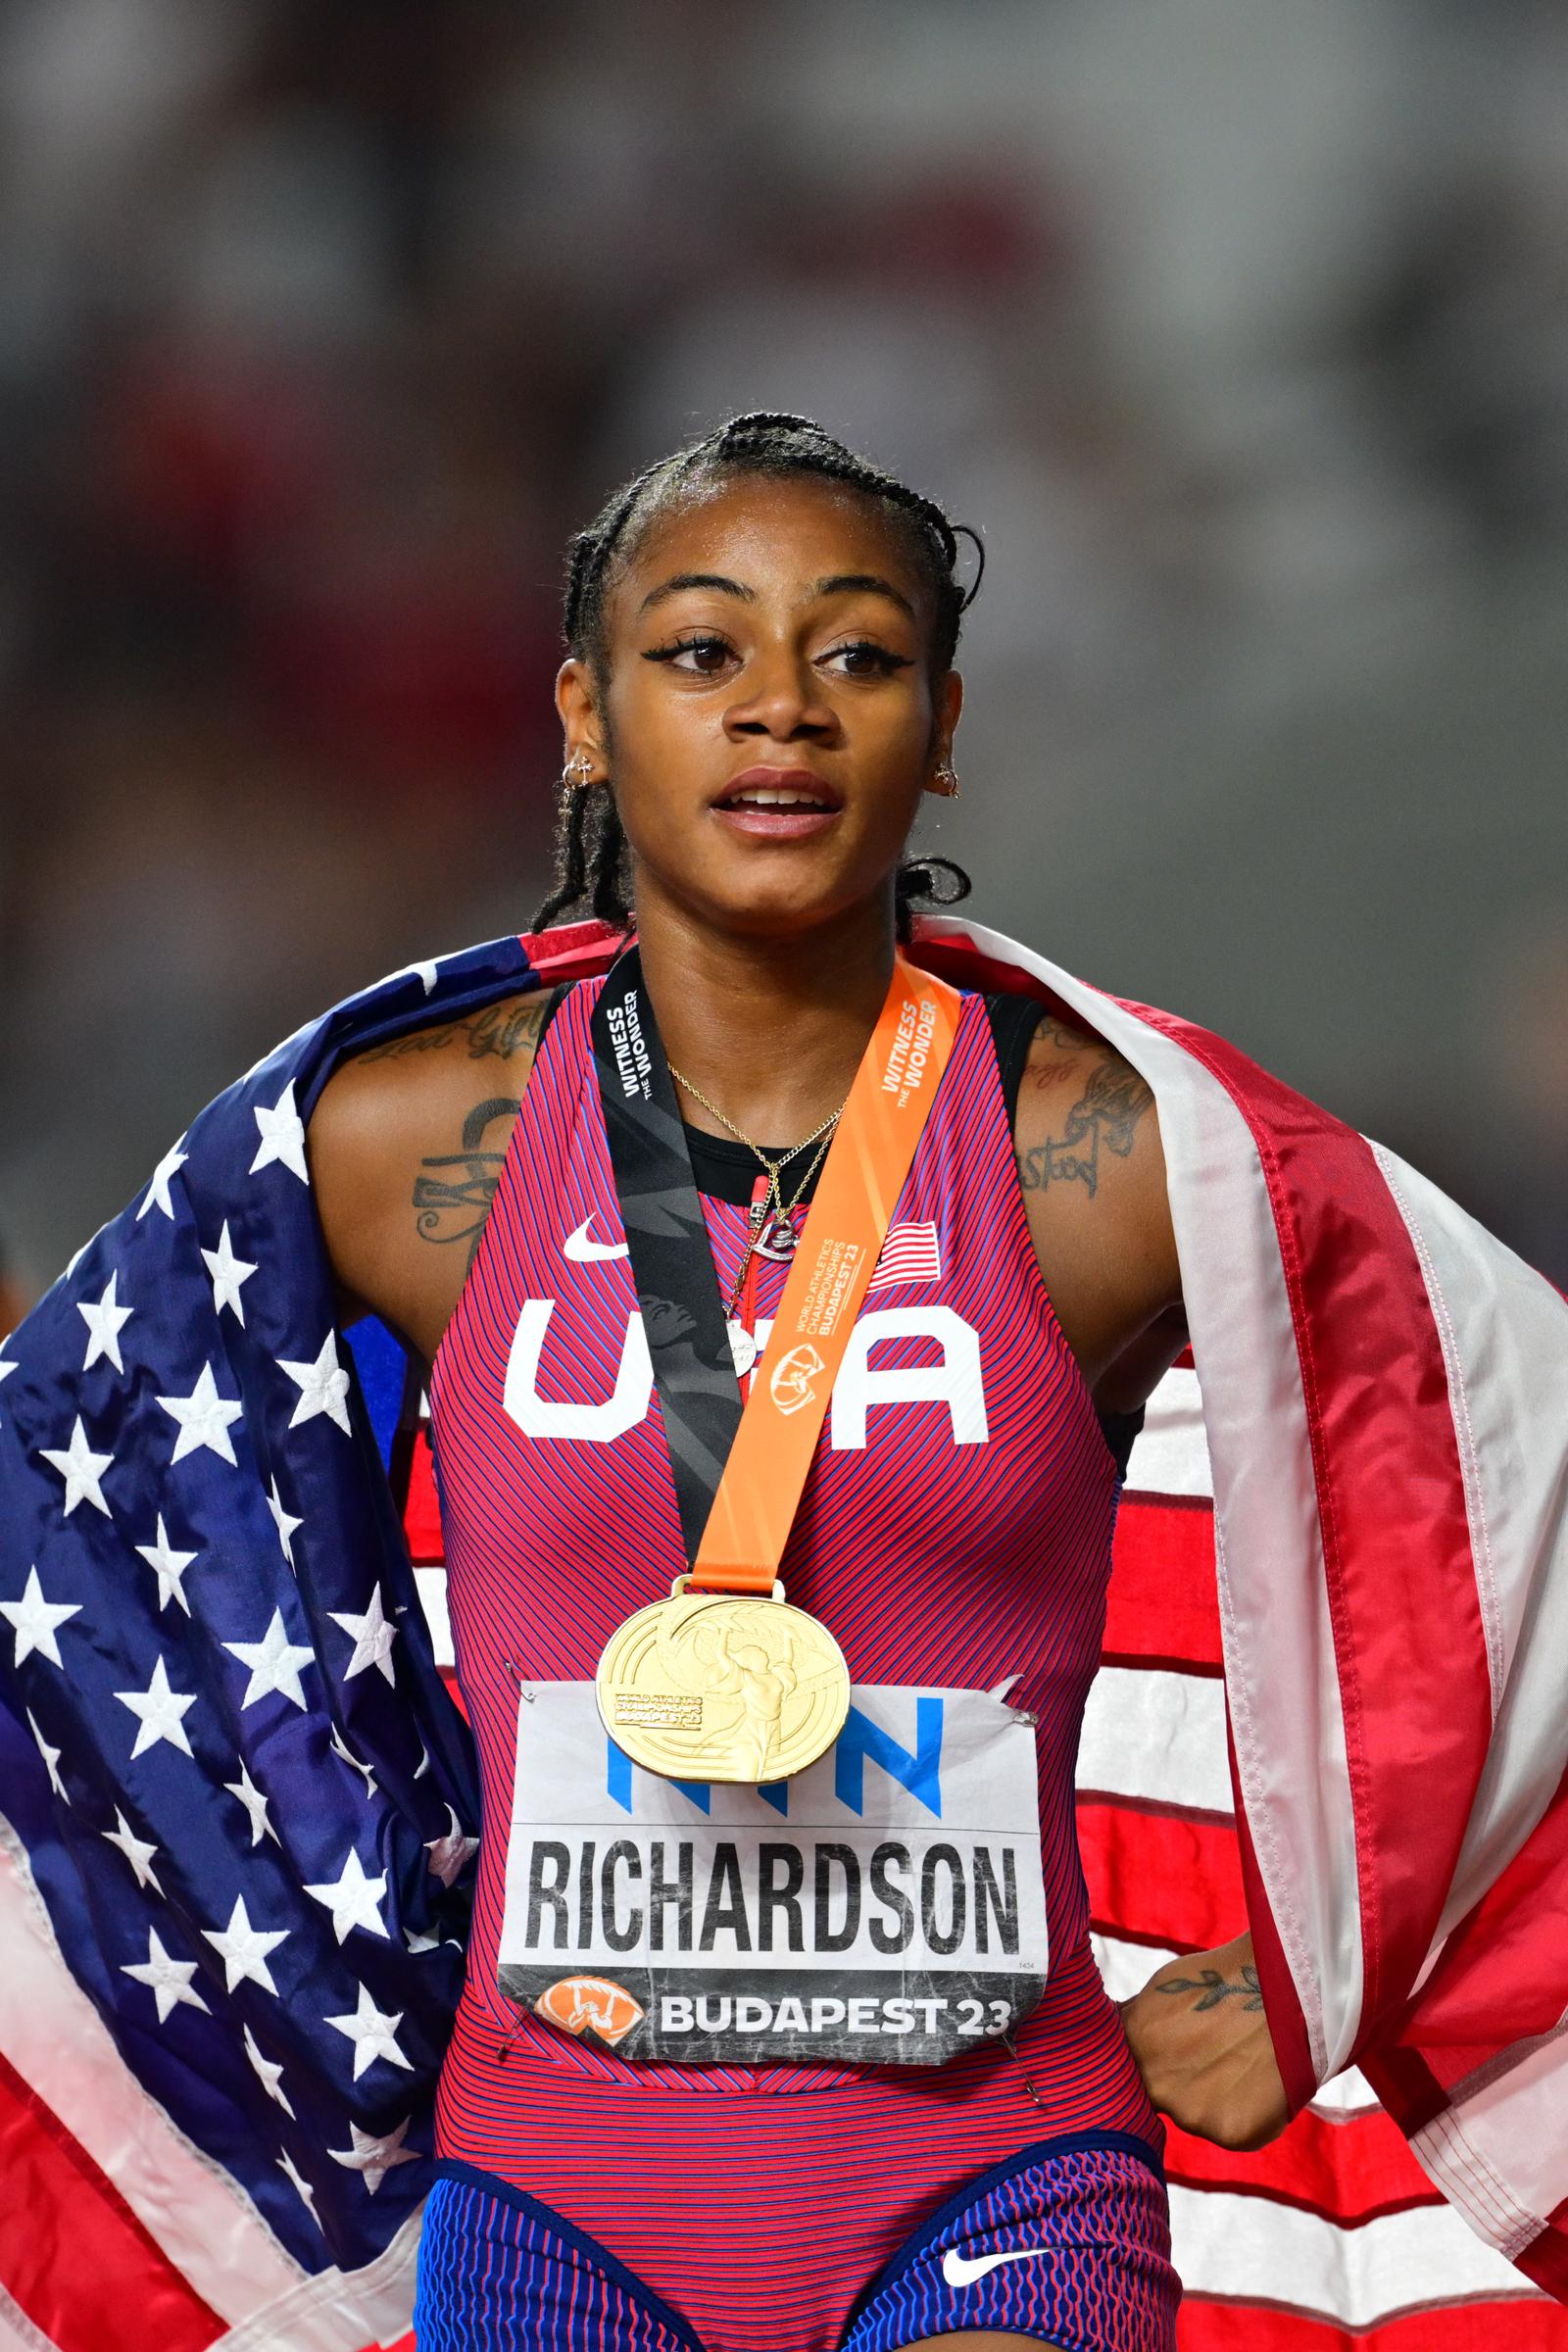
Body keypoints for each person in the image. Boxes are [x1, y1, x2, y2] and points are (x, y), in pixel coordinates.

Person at [306, 412, 1272, 2352]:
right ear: (583, 714)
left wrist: (1320, 1958)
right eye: (698, 654)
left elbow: (1475, 1470)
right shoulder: (399, 1149)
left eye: (855, 654)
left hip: (994, 2175)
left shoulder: (1110, 1159)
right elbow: (113, 1479)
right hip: (550, 2206)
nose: (782, 713)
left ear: (941, 722)